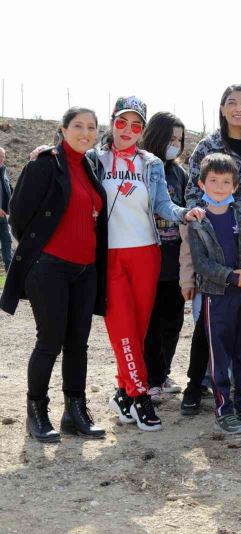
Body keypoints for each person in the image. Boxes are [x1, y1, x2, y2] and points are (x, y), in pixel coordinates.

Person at [0, 107, 107, 442]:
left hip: (85, 270)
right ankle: (37, 412)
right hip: (49, 269)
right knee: (50, 342)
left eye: (91, 127)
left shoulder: (90, 166)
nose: (85, 133)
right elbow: (17, 215)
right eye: (78, 126)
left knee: (79, 344)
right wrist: (42, 252)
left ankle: (74, 412)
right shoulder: (44, 163)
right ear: (63, 130)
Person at [101, 96, 204, 432]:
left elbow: (163, 204)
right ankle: (139, 394)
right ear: (112, 122)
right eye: (121, 122)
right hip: (111, 255)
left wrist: (183, 213)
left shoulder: (151, 164)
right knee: (123, 330)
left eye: (135, 125)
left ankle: (123, 392)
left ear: (142, 131)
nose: (127, 130)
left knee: (141, 329)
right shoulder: (95, 159)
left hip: (147, 253)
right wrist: (49, 153)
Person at [180, 84, 241, 415]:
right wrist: (205, 225)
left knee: (239, 324)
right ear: (223, 109)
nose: (239, 108)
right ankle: (194, 384)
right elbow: (191, 192)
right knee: (208, 320)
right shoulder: (208, 146)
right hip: (213, 238)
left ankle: (236, 391)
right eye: (232, 103)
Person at [187, 153, 241, 434]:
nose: (220, 187)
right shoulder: (198, 221)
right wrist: (233, 276)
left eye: (226, 182)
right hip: (218, 295)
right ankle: (224, 408)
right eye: (213, 181)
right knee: (219, 354)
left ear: (235, 186)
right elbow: (202, 264)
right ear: (202, 184)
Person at [140, 112, 188, 402]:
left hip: (175, 258)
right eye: (171, 138)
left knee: (173, 320)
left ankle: (163, 372)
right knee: (152, 321)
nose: (175, 145)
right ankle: (150, 377)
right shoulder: (142, 167)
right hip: (149, 255)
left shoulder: (179, 172)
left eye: (179, 140)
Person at [0, 146, 12, 271]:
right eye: (0, 157)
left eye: (3, 157)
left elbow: (9, 190)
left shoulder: (3, 171)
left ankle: (11, 273)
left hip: (4, 216)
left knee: (7, 242)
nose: (2, 160)